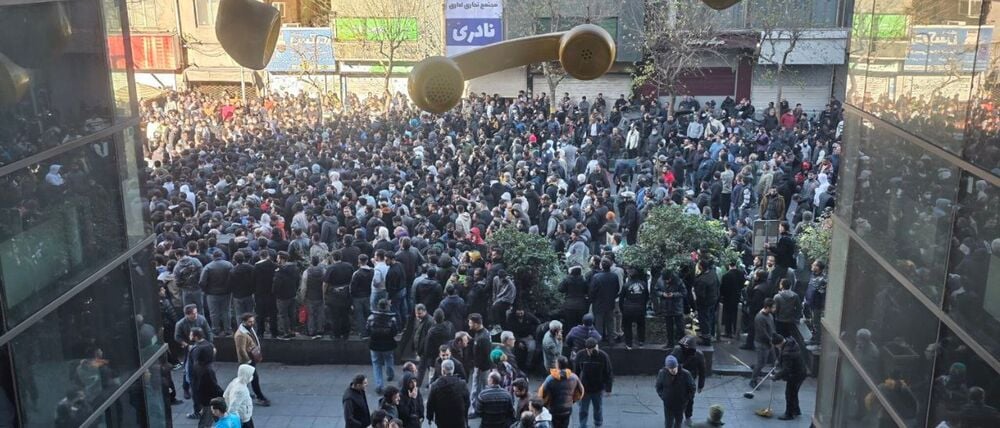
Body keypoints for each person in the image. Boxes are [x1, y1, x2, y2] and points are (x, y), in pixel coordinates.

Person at [175, 304, 212, 400]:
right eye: (193, 314)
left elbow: (208, 332)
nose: (196, 315)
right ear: (187, 315)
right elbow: (177, 337)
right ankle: (186, 388)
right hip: (189, 347)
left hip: (201, 345)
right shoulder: (180, 324)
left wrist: (211, 345)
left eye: (196, 313)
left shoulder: (201, 319)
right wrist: (186, 345)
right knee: (187, 368)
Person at [573, 338, 612, 428]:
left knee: (598, 408)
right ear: (587, 349)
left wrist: (608, 388)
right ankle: (583, 425)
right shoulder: (580, 355)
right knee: (583, 409)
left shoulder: (603, 356)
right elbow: (576, 372)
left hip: (598, 388)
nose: (594, 351)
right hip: (584, 388)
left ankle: (598, 424)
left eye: (595, 348)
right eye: (591, 349)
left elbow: (608, 372)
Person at [233, 313, 270, 406]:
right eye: (250, 322)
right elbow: (241, 350)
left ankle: (241, 395)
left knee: (244, 379)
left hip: (251, 357)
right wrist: (247, 360)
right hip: (247, 360)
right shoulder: (240, 335)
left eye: (253, 321)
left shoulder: (249, 329)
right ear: (244, 322)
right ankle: (259, 397)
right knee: (254, 378)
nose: (252, 323)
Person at [538, 356, 585, 428]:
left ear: (557, 365)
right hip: (567, 408)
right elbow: (581, 391)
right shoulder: (574, 377)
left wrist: (545, 404)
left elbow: (541, 394)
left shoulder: (550, 379)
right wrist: (573, 400)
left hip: (554, 409)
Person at [668, 336, 706, 424]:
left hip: (690, 380)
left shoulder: (699, 355)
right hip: (677, 379)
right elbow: (669, 363)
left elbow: (702, 371)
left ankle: (688, 416)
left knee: (690, 399)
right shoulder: (677, 350)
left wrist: (700, 385)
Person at [189, 328, 222, 425]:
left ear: (195, 336)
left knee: (206, 417)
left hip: (205, 395)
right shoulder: (209, 345)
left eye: (191, 334)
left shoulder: (197, 350)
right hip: (208, 393)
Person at [367, 298, 400, 395]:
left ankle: (379, 385)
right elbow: (395, 332)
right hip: (388, 344)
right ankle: (390, 374)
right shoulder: (392, 319)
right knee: (389, 359)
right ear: (387, 307)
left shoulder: (371, 318)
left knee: (376, 364)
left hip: (374, 344)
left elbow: (368, 330)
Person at [426, 359, 471, 428]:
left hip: (442, 419)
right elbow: (467, 402)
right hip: (458, 417)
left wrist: (430, 417)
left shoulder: (435, 385)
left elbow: (430, 403)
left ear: (443, 370)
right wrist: (464, 414)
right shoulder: (462, 384)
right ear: (453, 369)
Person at [771, 335, 806, 420]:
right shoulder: (791, 343)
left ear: (778, 344)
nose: (777, 348)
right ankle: (796, 410)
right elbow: (783, 352)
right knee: (794, 392)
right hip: (801, 372)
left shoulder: (787, 353)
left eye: (776, 346)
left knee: (789, 394)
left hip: (795, 375)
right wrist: (779, 360)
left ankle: (789, 414)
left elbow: (786, 370)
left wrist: (775, 376)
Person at [655, 355, 695, 428]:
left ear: (677, 365)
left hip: (680, 404)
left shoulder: (686, 374)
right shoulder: (662, 373)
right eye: (670, 368)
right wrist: (664, 397)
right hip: (668, 404)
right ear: (667, 368)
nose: (673, 370)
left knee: (678, 422)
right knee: (668, 423)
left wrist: (687, 399)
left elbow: (692, 388)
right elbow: (658, 386)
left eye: (674, 368)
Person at [201, 250, 234, 336]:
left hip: (212, 293)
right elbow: (233, 277)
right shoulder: (229, 265)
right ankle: (228, 329)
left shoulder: (208, 267)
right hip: (226, 292)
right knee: (226, 311)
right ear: (221, 256)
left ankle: (215, 330)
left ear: (213, 257)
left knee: (214, 313)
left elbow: (202, 282)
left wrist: (206, 290)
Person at [588, 258, 620, 344]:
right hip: (610, 303)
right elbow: (617, 289)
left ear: (601, 266)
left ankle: (599, 341)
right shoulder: (614, 276)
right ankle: (611, 339)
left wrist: (592, 300)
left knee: (599, 323)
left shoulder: (596, 277)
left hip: (598, 304)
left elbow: (592, 291)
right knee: (610, 322)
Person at [467, 313, 493, 417]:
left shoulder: (483, 338)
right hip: (482, 367)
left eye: (470, 322)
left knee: (476, 389)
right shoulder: (482, 333)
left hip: (481, 368)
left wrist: (478, 367)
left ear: (476, 324)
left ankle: (476, 410)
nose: (469, 324)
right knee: (483, 388)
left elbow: (485, 354)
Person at [655, 269, 686, 349]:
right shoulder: (660, 280)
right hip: (666, 307)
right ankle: (670, 343)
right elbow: (656, 291)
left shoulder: (678, 280)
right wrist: (662, 294)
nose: (667, 281)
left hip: (676, 307)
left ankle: (682, 344)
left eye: (668, 280)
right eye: (665, 280)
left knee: (680, 327)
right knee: (669, 327)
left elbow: (684, 292)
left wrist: (674, 294)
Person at [619, 268, 649, 349]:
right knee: (641, 325)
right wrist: (643, 305)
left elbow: (621, 299)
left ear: (630, 276)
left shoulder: (626, 285)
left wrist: (622, 309)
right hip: (640, 308)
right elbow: (647, 297)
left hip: (628, 309)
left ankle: (629, 344)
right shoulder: (644, 284)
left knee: (627, 326)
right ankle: (641, 342)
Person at [692, 259, 720, 344]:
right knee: (710, 318)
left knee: (704, 320)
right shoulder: (713, 273)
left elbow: (700, 295)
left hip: (704, 303)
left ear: (701, 267)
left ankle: (706, 339)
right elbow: (718, 285)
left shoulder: (702, 280)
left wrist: (696, 304)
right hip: (713, 300)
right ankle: (710, 335)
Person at [751, 298, 777, 387]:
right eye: (773, 307)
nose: (774, 309)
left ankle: (756, 371)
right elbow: (762, 332)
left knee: (766, 361)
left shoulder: (770, 316)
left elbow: (772, 329)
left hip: (769, 342)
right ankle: (753, 380)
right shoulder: (759, 318)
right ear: (767, 307)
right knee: (761, 362)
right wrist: (771, 340)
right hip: (761, 343)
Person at [719, 261, 744, 338]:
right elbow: (742, 285)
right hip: (737, 297)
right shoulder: (741, 274)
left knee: (728, 315)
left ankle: (728, 332)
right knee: (736, 314)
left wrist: (722, 296)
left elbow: (723, 288)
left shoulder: (726, 276)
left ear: (729, 266)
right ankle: (736, 330)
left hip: (728, 298)